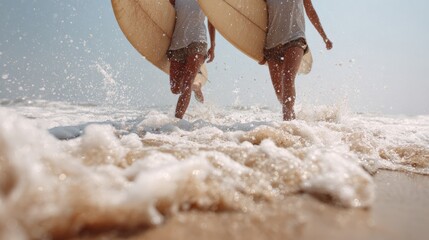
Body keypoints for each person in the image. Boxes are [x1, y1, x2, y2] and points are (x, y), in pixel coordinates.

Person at [260, 0, 333, 120]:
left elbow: (310, 10)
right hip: (271, 43)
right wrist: (257, 50)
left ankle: (287, 123)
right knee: (280, 93)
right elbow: (258, 16)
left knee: (287, 77)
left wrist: (324, 36)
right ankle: (292, 114)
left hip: (295, 38)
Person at [168, 0, 216, 119]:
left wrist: (213, 46)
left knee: (186, 84)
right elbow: (166, 13)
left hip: (198, 41)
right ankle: (196, 85)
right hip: (177, 42)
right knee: (175, 88)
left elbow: (212, 20)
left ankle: (176, 124)